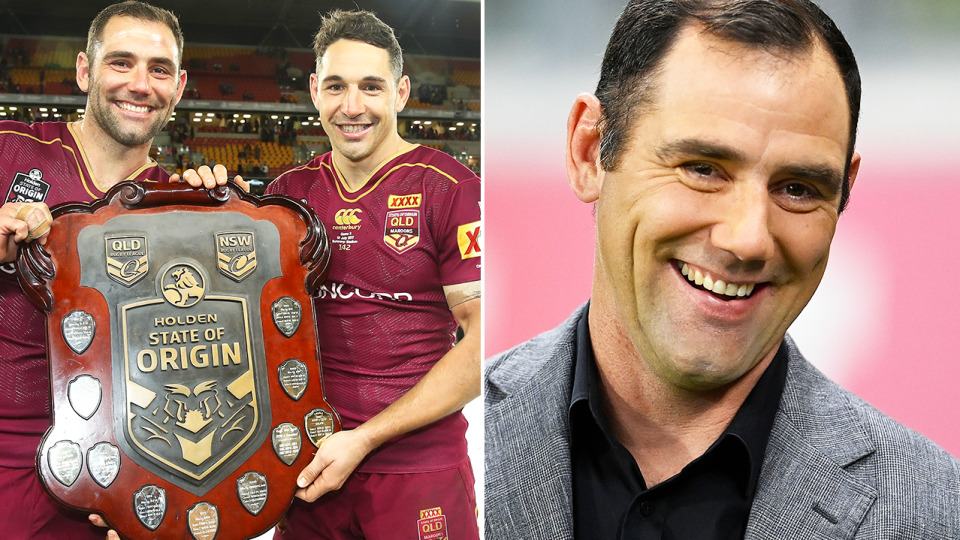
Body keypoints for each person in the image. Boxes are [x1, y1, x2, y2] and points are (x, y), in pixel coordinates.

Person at [484, 1, 960, 539]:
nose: (748, 238)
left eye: (798, 189)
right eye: (703, 169)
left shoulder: (934, 512)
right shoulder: (434, 439)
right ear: (590, 152)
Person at [0, 3, 230, 539]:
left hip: (119, 467)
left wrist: (221, 219)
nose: (140, 84)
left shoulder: (181, 204)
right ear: (85, 70)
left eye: (159, 69)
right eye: (121, 62)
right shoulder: (10, 149)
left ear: (179, 85)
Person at [264, 10, 481, 540]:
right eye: (336, 86)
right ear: (315, 90)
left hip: (418, 465)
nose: (352, 106)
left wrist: (363, 438)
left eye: (371, 86)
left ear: (401, 92)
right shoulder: (286, 194)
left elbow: (484, 339)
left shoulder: (450, 188)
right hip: (309, 460)